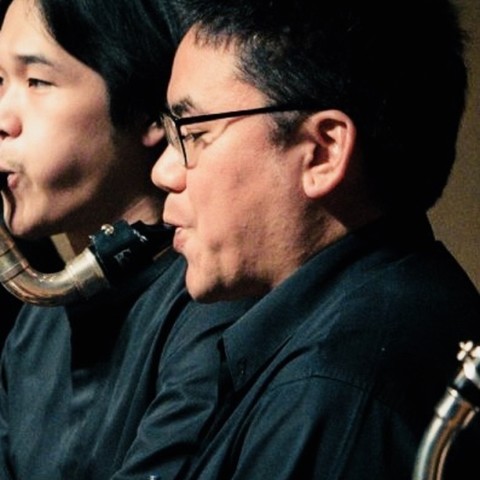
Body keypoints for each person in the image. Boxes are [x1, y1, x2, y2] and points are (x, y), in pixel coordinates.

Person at [151, 0, 480, 478]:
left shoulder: (335, 390)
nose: (164, 171)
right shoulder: (381, 321)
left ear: (322, 151)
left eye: (194, 133)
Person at [0, 0, 257, 479]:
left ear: (148, 112)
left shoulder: (214, 309)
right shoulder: (36, 328)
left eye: (36, 82)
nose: (3, 119)